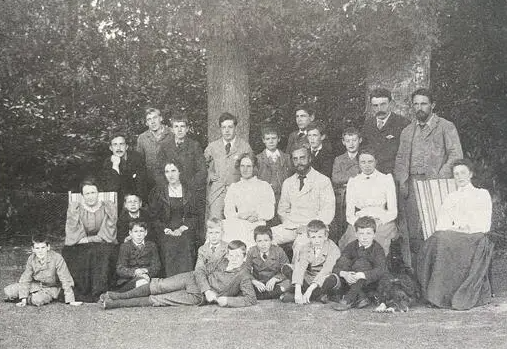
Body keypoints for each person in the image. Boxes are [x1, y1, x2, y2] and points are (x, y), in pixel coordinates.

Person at [394, 88, 463, 266]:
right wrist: (402, 181)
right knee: (413, 232)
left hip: (435, 185)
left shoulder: (446, 127)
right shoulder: (407, 131)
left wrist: (439, 179)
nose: (420, 107)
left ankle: (438, 271)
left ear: (432, 105)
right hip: (411, 186)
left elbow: (456, 156)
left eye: (424, 103)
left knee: (434, 229)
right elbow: (401, 159)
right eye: (416, 104)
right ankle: (416, 274)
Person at [417, 159, 493, 310]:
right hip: (454, 235)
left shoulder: (481, 194)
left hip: (474, 236)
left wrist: (467, 228)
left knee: (444, 240)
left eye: (463, 172)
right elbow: (442, 224)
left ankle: (448, 295)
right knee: (436, 239)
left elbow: (485, 223)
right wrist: (456, 228)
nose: (460, 177)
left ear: (470, 174)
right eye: (456, 174)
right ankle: (436, 295)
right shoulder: (451, 197)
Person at [103, 240, 257, 309]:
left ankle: (113, 304)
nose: (234, 259)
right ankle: (117, 295)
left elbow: (250, 299)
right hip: (193, 279)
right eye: (232, 255)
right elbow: (200, 270)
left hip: (197, 296)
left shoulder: (243, 275)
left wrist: (228, 301)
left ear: (244, 257)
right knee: (159, 285)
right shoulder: (222, 261)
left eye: (238, 256)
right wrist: (207, 289)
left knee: (160, 299)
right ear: (228, 254)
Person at [62, 178, 118, 302]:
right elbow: (73, 234)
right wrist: (87, 240)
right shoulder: (75, 208)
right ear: (82, 196)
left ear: (98, 193)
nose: (91, 196)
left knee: (102, 252)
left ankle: (100, 290)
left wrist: (89, 239)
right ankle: (83, 290)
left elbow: (108, 233)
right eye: (87, 193)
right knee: (75, 253)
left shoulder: (108, 207)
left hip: (103, 243)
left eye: (93, 192)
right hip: (80, 244)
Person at [271, 147, 335, 254]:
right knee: (265, 237)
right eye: (295, 159)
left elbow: (327, 212)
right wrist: (291, 225)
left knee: (301, 245)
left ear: (309, 159)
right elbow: (282, 210)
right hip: (291, 226)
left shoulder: (323, 181)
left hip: (314, 228)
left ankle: (296, 270)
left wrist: (308, 228)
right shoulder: (288, 182)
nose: (298, 162)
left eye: (302, 158)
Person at [157, 114, 207, 246]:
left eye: (182, 126)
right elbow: (158, 170)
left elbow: (202, 171)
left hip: (190, 192)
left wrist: (189, 187)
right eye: (176, 126)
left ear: (187, 129)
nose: (179, 130)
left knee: (194, 226)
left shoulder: (194, 146)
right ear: (172, 129)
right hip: (170, 193)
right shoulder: (165, 146)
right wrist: (167, 187)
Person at [339, 149, 397, 255]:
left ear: (376, 162)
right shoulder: (353, 181)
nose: (367, 165)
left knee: (377, 239)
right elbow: (349, 214)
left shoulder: (386, 179)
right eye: (363, 162)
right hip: (360, 220)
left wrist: (380, 221)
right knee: (353, 239)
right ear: (358, 163)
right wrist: (358, 224)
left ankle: (374, 268)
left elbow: (393, 212)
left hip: (381, 220)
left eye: (370, 162)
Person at [149, 160, 198, 277]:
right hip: (165, 229)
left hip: (185, 228)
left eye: (173, 171)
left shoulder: (189, 191)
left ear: (180, 172)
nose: (170, 175)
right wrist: (167, 230)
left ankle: (186, 281)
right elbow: (154, 217)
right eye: (167, 172)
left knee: (185, 243)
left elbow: (194, 215)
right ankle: (170, 283)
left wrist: (181, 229)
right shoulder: (158, 192)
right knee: (169, 245)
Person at [4, 234, 82, 307]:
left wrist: (70, 300)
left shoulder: (57, 258)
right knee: (8, 291)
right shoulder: (31, 258)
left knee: (37, 300)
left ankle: (30, 298)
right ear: (33, 249)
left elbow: (65, 278)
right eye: (37, 248)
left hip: (51, 288)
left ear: (48, 247)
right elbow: (26, 278)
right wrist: (23, 298)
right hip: (36, 285)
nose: (40, 251)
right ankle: (26, 297)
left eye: (43, 247)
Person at [332, 216, 387, 311]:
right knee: (348, 266)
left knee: (362, 263)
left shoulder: (378, 249)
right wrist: (345, 274)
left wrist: (362, 275)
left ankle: (348, 299)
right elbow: (338, 266)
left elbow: (380, 270)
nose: (365, 237)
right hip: (351, 280)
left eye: (368, 233)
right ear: (356, 234)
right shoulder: (351, 246)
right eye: (361, 233)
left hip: (370, 281)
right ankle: (361, 297)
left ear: (374, 234)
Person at [204, 112, 252, 219]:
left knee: (237, 222)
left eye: (230, 127)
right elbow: (202, 166)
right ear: (220, 129)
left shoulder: (244, 147)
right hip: (217, 192)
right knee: (215, 221)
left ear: (235, 128)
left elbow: (252, 168)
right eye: (223, 127)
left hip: (237, 191)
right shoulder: (212, 147)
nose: (226, 130)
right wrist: (210, 174)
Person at [280, 220, 340, 304]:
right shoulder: (306, 247)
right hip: (310, 276)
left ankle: (304, 296)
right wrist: (298, 290)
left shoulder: (333, 248)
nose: (317, 240)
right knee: (287, 268)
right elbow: (301, 266)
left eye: (320, 237)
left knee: (332, 279)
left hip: (325, 277)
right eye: (313, 237)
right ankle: (318, 296)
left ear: (325, 236)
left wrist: (309, 290)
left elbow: (327, 270)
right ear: (308, 237)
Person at [222, 153, 275, 248]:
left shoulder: (264, 186)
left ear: (254, 168)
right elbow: (228, 212)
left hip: (257, 224)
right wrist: (240, 215)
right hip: (239, 222)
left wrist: (257, 215)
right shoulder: (234, 187)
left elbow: (270, 211)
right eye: (242, 166)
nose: (245, 169)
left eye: (249, 166)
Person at [361, 88, 410, 174]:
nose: (379, 109)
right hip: (372, 174)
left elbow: (407, 154)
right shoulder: (367, 125)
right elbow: (363, 150)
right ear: (371, 106)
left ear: (391, 104)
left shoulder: (403, 124)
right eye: (375, 106)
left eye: (383, 104)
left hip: (394, 175)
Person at [331, 127, 362, 242]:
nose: (351, 144)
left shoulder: (363, 158)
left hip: (358, 195)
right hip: (341, 197)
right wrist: (354, 175)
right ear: (343, 142)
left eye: (354, 140)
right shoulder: (339, 159)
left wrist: (346, 178)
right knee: (340, 224)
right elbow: (335, 178)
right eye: (348, 141)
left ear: (360, 140)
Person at [244, 226, 291, 300]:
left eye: (266, 240)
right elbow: (246, 271)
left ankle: (261, 296)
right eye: (259, 241)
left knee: (288, 282)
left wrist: (275, 279)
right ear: (255, 241)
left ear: (271, 240)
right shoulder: (252, 251)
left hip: (275, 283)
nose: (263, 244)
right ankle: (274, 294)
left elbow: (287, 270)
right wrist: (254, 281)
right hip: (259, 284)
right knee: (243, 283)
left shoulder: (279, 251)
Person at [115, 222, 161, 292]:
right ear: (130, 233)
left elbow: (156, 266)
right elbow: (120, 268)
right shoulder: (125, 247)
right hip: (129, 281)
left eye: (141, 231)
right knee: (143, 284)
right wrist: (136, 272)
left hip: (148, 278)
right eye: (135, 231)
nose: (139, 235)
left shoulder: (152, 246)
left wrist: (145, 271)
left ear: (146, 233)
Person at [102, 134, 147, 204]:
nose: (118, 148)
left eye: (121, 144)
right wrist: (115, 165)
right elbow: (111, 189)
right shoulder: (108, 163)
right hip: (118, 202)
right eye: (115, 145)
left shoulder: (137, 159)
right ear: (111, 148)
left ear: (126, 147)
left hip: (135, 201)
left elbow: (141, 187)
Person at [136, 107, 174, 190]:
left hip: (170, 180)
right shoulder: (142, 138)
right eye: (149, 119)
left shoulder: (172, 134)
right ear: (146, 123)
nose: (152, 122)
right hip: (151, 182)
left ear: (161, 118)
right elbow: (140, 162)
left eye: (155, 118)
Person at [256, 125, 293, 205]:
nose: (271, 141)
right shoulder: (258, 159)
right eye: (268, 139)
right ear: (263, 140)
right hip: (264, 199)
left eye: (274, 138)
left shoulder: (286, 158)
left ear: (278, 139)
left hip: (283, 198)